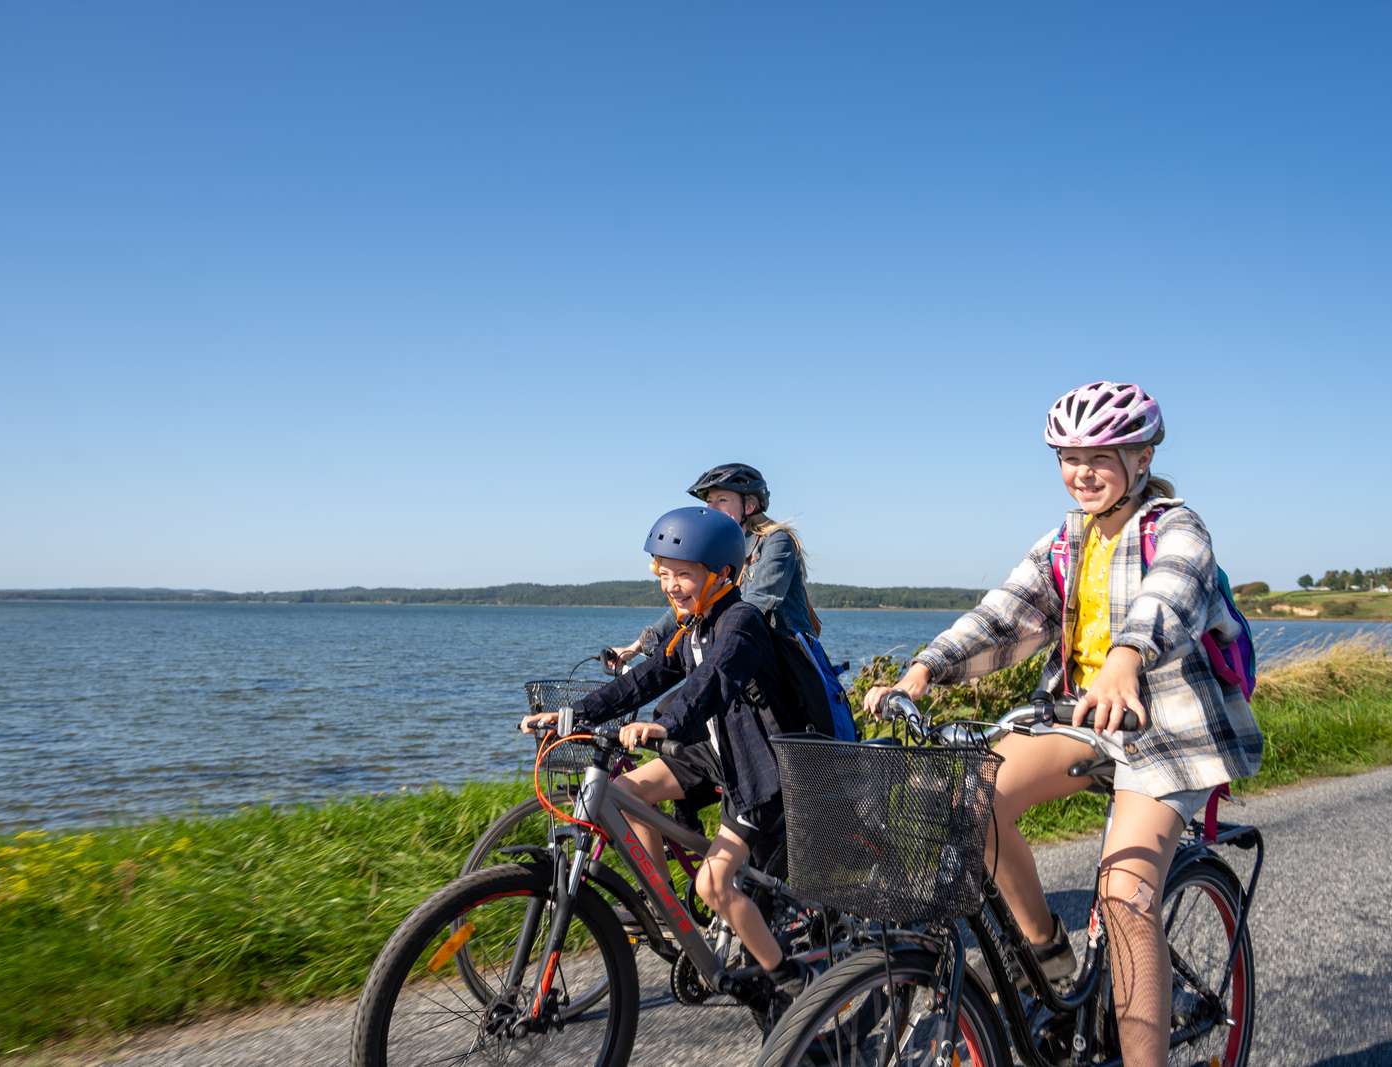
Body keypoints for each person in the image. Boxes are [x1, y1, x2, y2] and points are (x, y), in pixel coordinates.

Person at [864, 381, 1262, 1067]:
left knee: (1124, 897)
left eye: (1101, 456)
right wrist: (925, 669)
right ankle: (1047, 962)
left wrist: (1126, 659)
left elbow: (1171, 592)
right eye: (1069, 457)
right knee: (970, 797)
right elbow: (1003, 614)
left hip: (1166, 732)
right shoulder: (1066, 542)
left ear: (1142, 459)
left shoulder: (1175, 527)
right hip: (1079, 717)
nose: (1082, 472)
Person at [521, 505, 810, 1007]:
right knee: (625, 792)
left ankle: (784, 981)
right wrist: (574, 714)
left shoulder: (740, 623)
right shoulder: (694, 625)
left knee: (714, 884)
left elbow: (713, 680)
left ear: (722, 574)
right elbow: (644, 678)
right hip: (715, 752)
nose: (671, 586)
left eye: (683, 575)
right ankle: (664, 908)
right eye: (664, 574)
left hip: (759, 768)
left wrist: (667, 723)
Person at [605, 463, 816, 672]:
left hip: (787, 663)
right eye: (709, 501)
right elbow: (692, 601)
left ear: (749, 507)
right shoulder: (723, 547)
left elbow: (756, 604)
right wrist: (633, 649)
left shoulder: (776, 542)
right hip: (744, 653)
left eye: (722, 500)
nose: (712, 508)